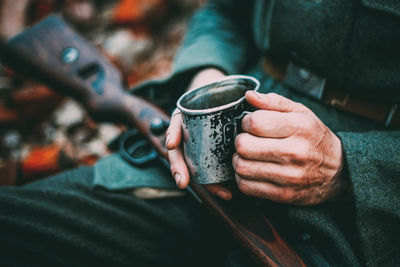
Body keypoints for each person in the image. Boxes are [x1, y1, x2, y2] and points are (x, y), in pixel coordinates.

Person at [1, 0, 399, 266]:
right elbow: (223, 12)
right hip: (200, 168)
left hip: (363, 220)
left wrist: (350, 168)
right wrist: (206, 76)